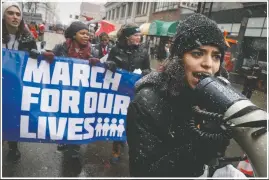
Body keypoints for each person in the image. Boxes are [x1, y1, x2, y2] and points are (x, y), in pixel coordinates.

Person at [126, 13, 231, 177]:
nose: (208, 64)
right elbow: (144, 171)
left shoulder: (211, 99)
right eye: (197, 53)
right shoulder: (147, 101)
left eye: (216, 56)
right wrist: (198, 148)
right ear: (178, 58)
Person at [2, 2, 53, 161]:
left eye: (18, 14)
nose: (15, 17)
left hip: (15, 84)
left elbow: (36, 55)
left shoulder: (27, 36)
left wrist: (36, 54)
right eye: (10, 13)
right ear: (3, 15)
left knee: (12, 114)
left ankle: (12, 145)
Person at [51, 21, 100, 158]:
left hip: (83, 90)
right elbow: (49, 61)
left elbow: (101, 69)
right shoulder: (61, 47)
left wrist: (101, 64)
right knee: (65, 115)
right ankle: (64, 139)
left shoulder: (94, 50)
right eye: (82, 33)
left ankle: (75, 145)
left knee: (78, 117)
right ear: (73, 35)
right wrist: (46, 57)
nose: (86, 36)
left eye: (87, 33)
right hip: (64, 89)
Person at [104, 23, 151, 163]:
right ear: (127, 37)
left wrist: (144, 73)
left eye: (139, 35)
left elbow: (148, 70)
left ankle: (131, 146)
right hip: (119, 92)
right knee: (119, 120)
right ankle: (116, 150)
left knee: (133, 120)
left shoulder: (143, 51)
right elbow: (108, 65)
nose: (139, 38)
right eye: (136, 35)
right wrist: (110, 65)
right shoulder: (116, 50)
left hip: (135, 92)